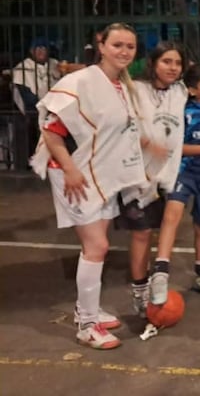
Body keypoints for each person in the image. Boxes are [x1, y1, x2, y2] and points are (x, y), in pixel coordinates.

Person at [30, 23, 145, 349]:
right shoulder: (79, 82)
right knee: (97, 247)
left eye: (130, 47)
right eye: (118, 45)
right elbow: (51, 129)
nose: (124, 51)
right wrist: (69, 169)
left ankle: (88, 309)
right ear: (102, 45)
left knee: (96, 247)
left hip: (101, 174)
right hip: (73, 173)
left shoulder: (121, 85)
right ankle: (87, 325)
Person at [116, 41, 187, 316]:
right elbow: (123, 124)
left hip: (167, 176)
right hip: (138, 175)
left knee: (166, 223)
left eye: (177, 63)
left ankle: (160, 273)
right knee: (142, 233)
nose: (172, 67)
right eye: (166, 61)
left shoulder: (180, 92)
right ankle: (139, 292)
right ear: (154, 64)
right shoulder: (136, 90)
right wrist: (147, 143)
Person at [149, 64, 200, 301]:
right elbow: (175, 148)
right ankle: (161, 273)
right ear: (192, 90)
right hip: (184, 171)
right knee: (171, 215)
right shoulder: (183, 111)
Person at [12, 38, 62, 157]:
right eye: (37, 48)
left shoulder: (55, 64)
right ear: (31, 51)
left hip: (54, 110)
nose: (41, 51)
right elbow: (25, 96)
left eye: (44, 48)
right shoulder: (23, 67)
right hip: (32, 112)